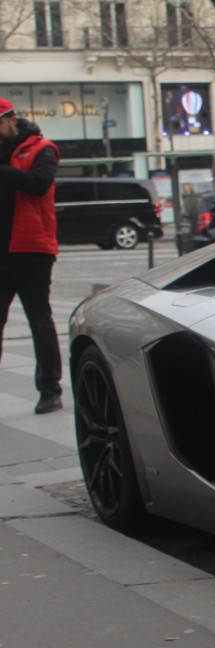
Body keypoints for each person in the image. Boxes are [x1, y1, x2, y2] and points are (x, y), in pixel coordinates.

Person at [0, 97, 63, 415]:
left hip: (31, 249)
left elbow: (40, 185)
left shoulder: (42, 149)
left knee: (39, 320)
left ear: (11, 119)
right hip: (1, 252)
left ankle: (50, 389)